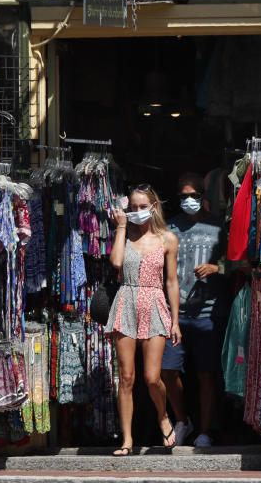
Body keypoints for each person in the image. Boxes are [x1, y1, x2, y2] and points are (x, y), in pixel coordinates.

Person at [107, 184, 182, 456]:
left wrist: (175, 321)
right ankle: (127, 440)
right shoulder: (124, 235)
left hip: (154, 303)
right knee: (126, 377)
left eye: (142, 207)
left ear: (153, 206)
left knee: (152, 378)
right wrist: (122, 226)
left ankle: (163, 416)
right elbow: (116, 262)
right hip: (126, 302)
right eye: (133, 207)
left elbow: (172, 282)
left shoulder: (168, 239)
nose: (137, 211)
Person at [161, 172, 230, 447]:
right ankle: (182, 420)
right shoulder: (168, 228)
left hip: (210, 312)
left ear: (204, 195)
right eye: (183, 196)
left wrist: (217, 268)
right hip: (174, 313)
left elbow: (237, 263)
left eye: (194, 195)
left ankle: (204, 431)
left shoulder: (218, 226)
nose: (189, 200)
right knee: (167, 371)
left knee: (206, 374)